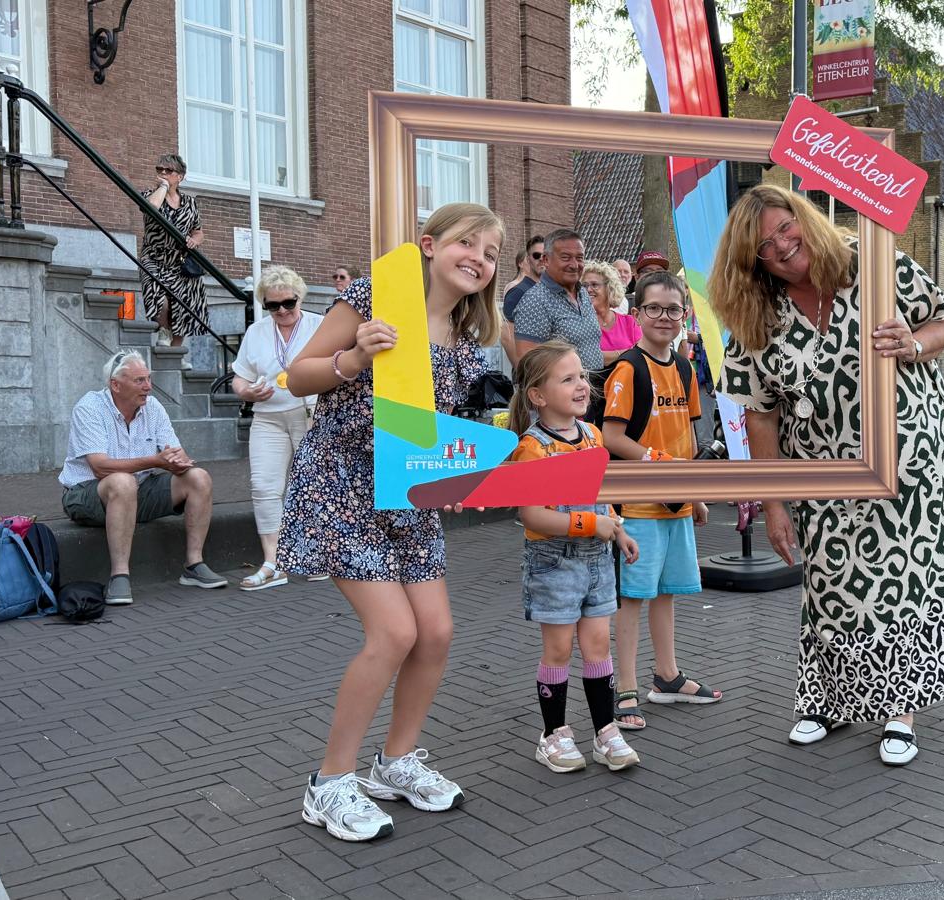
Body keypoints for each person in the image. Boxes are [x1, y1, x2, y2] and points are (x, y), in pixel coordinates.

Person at [710, 184, 944, 766]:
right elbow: (759, 413)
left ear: (804, 219)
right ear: (748, 261)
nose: (779, 246)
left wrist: (914, 343)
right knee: (830, 584)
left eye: (784, 228)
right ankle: (826, 696)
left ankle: (900, 706)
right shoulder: (756, 314)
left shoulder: (877, 267)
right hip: (821, 470)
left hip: (911, 457)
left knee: (905, 583)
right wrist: (774, 502)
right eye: (762, 245)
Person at [279, 202, 499, 842]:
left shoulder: (464, 342)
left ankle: (395, 762)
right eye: (468, 243)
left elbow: (437, 438)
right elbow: (298, 376)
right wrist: (354, 358)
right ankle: (329, 782)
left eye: (490, 253)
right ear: (429, 244)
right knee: (394, 632)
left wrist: (457, 478)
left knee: (436, 631)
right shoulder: (378, 295)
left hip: (407, 499)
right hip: (343, 484)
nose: (479, 260)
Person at [507, 341, 641, 773]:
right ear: (538, 396)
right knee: (559, 650)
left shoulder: (593, 436)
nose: (582, 385)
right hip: (554, 563)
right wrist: (591, 525)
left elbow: (601, 496)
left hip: (598, 561)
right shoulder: (532, 447)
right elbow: (532, 515)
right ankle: (554, 735)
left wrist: (616, 528)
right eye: (568, 379)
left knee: (599, 644)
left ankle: (605, 730)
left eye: (582, 376)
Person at [602, 271, 721, 730]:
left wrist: (694, 492)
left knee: (667, 592)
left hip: (676, 502)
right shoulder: (629, 368)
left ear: (684, 315)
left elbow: (690, 434)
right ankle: (626, 687)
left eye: (674, 310)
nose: (665, 318)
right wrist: (657, 462)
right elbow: (612, 436)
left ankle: (666, 677)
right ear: (638, 314)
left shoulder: (687, 367)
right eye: (654, 309)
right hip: (638, 505)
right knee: (634, 595)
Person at [59, 350, 225, 606]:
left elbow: (177, 452)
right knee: (122, 481)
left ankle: (194, 564)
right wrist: (156, 461)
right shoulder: (89, 407)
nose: (148, 386)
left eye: (148, 379)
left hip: (137, 491)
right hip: (85, 494)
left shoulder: (153, 406)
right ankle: (120, 576)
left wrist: (179, 462)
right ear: (115, 384)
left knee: (199, 478)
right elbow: (100, 468)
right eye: (139, 381)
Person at [231, 266, 326, 591]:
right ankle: (274, 562)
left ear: (300, 297)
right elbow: (239, 377)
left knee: (314, 484)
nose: (282, 311)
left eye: (289, 302)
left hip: (309, 413)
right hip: (268, 416)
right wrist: (246, 392)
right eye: (274, 305)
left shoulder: (319, 325)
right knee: (263, 486)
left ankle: (317, 552)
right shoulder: (257, 332)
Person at [139, 153, 206, 367]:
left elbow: (198, 231)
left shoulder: (190, 203)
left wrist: (195, 241)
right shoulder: (150, 194)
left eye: (169, 171)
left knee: (186, 303)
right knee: (159, 294)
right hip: (155, 256)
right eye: (160, 169)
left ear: (181, 176)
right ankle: (164, 331)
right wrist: (163, 188)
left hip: (180, 260)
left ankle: (177, 353)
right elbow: (152, 208)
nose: (163, 173)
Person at [511, 229, 603, 372]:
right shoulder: (535, 301)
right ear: (546, 260)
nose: (574, 265)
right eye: (566, 257)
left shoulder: (583, 293)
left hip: (592, 388)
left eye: (579, 258)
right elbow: (528, 365)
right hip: (562, 391)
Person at [500, 234, 545, 368]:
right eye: (536, 255)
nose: (541, 259)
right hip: (532, 374)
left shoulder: (550, 291)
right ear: (528, 259)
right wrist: (524, 372)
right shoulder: (518, 292)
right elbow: (507, 336)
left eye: (546, 255)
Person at [583, 260, 641, 362]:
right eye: (584, 286)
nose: (588, 289)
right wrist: (627, 353)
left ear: (609, 288)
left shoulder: (630, 322)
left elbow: (642, 354)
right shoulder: (579, 324)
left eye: (594, 284)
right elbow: (587, 358)